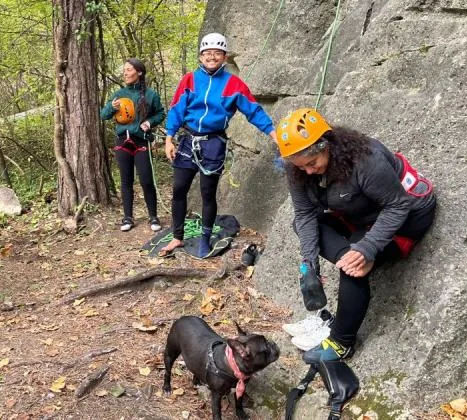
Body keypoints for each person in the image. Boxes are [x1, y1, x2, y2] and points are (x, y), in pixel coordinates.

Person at [276, 108, 436, 363]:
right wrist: (309, 263)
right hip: (361, 213)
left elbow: (397, 205)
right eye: (299, 166)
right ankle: (351, 258)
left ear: (325, 145)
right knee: (311, 230)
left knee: (353, 264)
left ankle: (342, 342)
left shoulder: (365, 160)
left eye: (311, 163)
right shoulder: (297, 170)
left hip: (405, 216)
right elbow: (305, 215)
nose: (306, 171)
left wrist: (367, 248)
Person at [161, 33, 277, 257]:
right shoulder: (189, 80)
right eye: (207, 53)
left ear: (224, 57)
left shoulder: (233, 84)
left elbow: (253, 110)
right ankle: (177, 237)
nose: (211, 57)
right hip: (187, 140)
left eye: (216, 53)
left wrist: (273, 133)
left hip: (213, 142)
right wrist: (169, 138)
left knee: (207, 193)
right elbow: (177, 108)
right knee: (178, 190)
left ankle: (205, 238)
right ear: (201, 56)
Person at [100, 58, 165, 232]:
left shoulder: (151, 95)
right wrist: (111, 108)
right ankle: (127, 217)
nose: (125, 73)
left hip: (141, 140)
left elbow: (160, 113)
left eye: (129, 70)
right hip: (123, 141)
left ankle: (153, 216)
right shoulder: (119, 94)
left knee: (146, 179)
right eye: (125, 70)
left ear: (139, 72)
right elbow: (103, 114)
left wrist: (149, 122)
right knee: (125, 180)